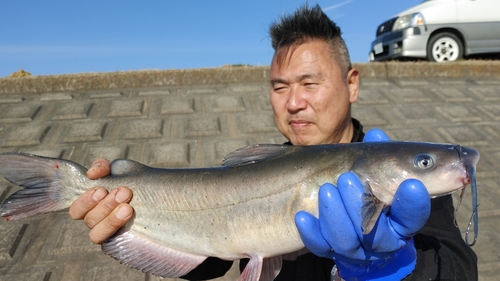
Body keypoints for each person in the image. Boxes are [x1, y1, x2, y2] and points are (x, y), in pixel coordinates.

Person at [69, 4, 477, 280]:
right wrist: (125, 222)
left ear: (351, 83)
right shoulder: (254, 167)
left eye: (309, 83)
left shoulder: (408, 186)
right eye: (279, 87)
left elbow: (460, 267)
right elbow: (210, 258)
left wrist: (398, 268)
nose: (294, 102)